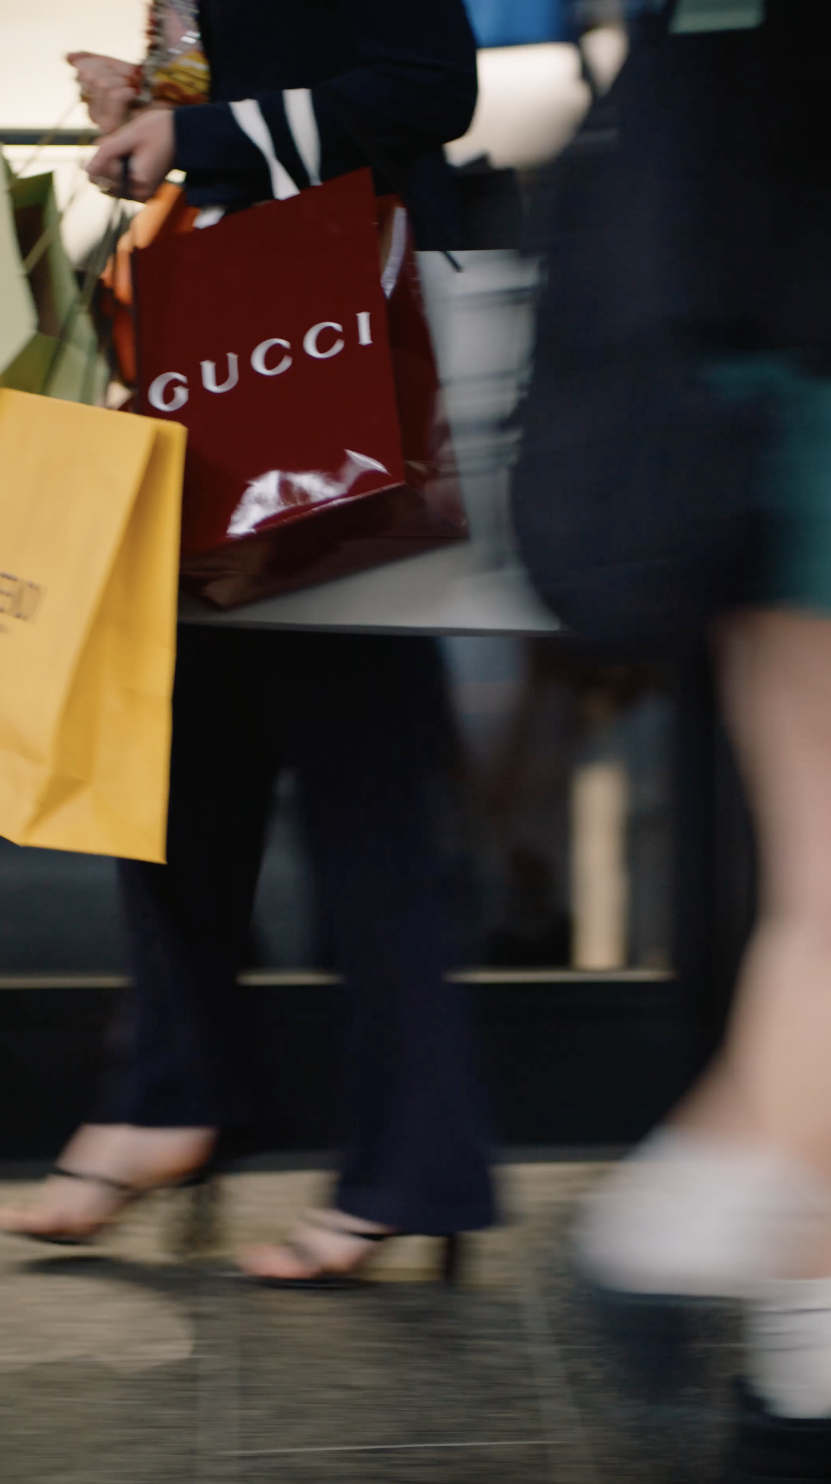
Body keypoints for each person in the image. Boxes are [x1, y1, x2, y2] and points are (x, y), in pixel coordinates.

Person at [0, 0, 497, 1282]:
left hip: (323, 357)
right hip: (238, 355)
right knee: (179, 748)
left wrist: (200, 132)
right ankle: (180, 1096)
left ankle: (403, 1161)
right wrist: (161, 108)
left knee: (358, 766)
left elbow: (428, 87)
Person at [569, 1, 831, 1477]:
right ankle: (673, 1219)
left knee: (815, 895)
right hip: (799, 373)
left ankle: (808, 1369)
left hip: (752, 372)